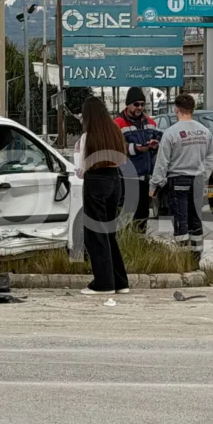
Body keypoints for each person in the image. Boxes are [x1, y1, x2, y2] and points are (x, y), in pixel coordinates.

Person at [149, 94, 213, 260]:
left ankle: (183, 259)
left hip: (178, 181)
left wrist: (154, 185)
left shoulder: (171, 133)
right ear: (193, 109)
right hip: (198, 181)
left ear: (176, 110)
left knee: (181, 220)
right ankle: (196, 257)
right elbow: (211, 159)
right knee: (196, 219)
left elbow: (162, 162)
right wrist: (204, 175)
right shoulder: (205, 131)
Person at [73, 96, 131, 296]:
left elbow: (81, 170)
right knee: (109, 233)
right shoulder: (114, 131)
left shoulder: (87, 137)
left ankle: (104, 283)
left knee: (95, 234)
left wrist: (77, 153)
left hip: (95, 182)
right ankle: (120, 281)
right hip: (115, 180)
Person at [114, 87, 161, 234]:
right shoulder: (118, 123)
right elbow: (114, 147)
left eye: (142, 104)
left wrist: (155, 144)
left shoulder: (150, 122)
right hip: (126, 179)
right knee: (125, 217)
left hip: (145, 179)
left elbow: (161, 138)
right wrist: (134, 148)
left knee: (142, 218)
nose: (139, 107)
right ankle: (125, 246)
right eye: (136, 104)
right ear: (128, 104)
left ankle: (140, 246)